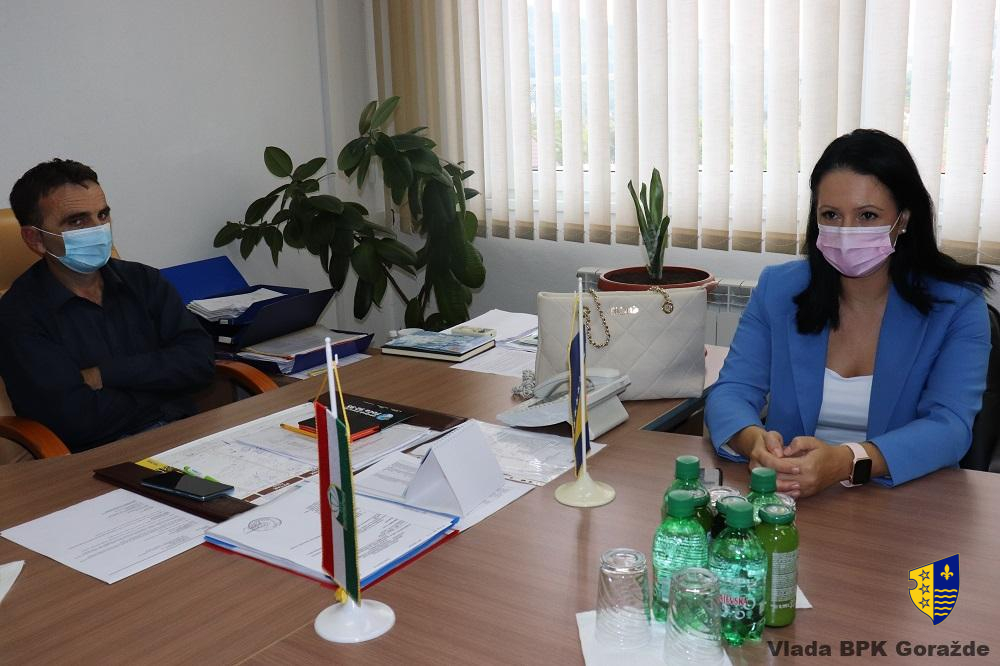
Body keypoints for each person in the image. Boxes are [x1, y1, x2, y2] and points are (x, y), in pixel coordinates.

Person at [705, 129, 995, 498]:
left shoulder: (958, 305)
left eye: (867, 215)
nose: (846, 232)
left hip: (908, 504)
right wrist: (754, 443)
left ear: (904, 219)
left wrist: (846, 462)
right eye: (831, 215)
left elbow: (949, 428)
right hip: (791, 500)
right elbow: (732, 391)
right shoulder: (779, 289)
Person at [0, 159, 215, 454]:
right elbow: (74, 419)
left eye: (102, 215)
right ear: (35, 238)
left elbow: (200, 362)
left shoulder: (144, 280)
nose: (98, 229)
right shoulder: (19, 314)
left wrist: (106, 374)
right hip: (101, 459)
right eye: (77, 221)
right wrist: (163, 387)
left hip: (185, 436)